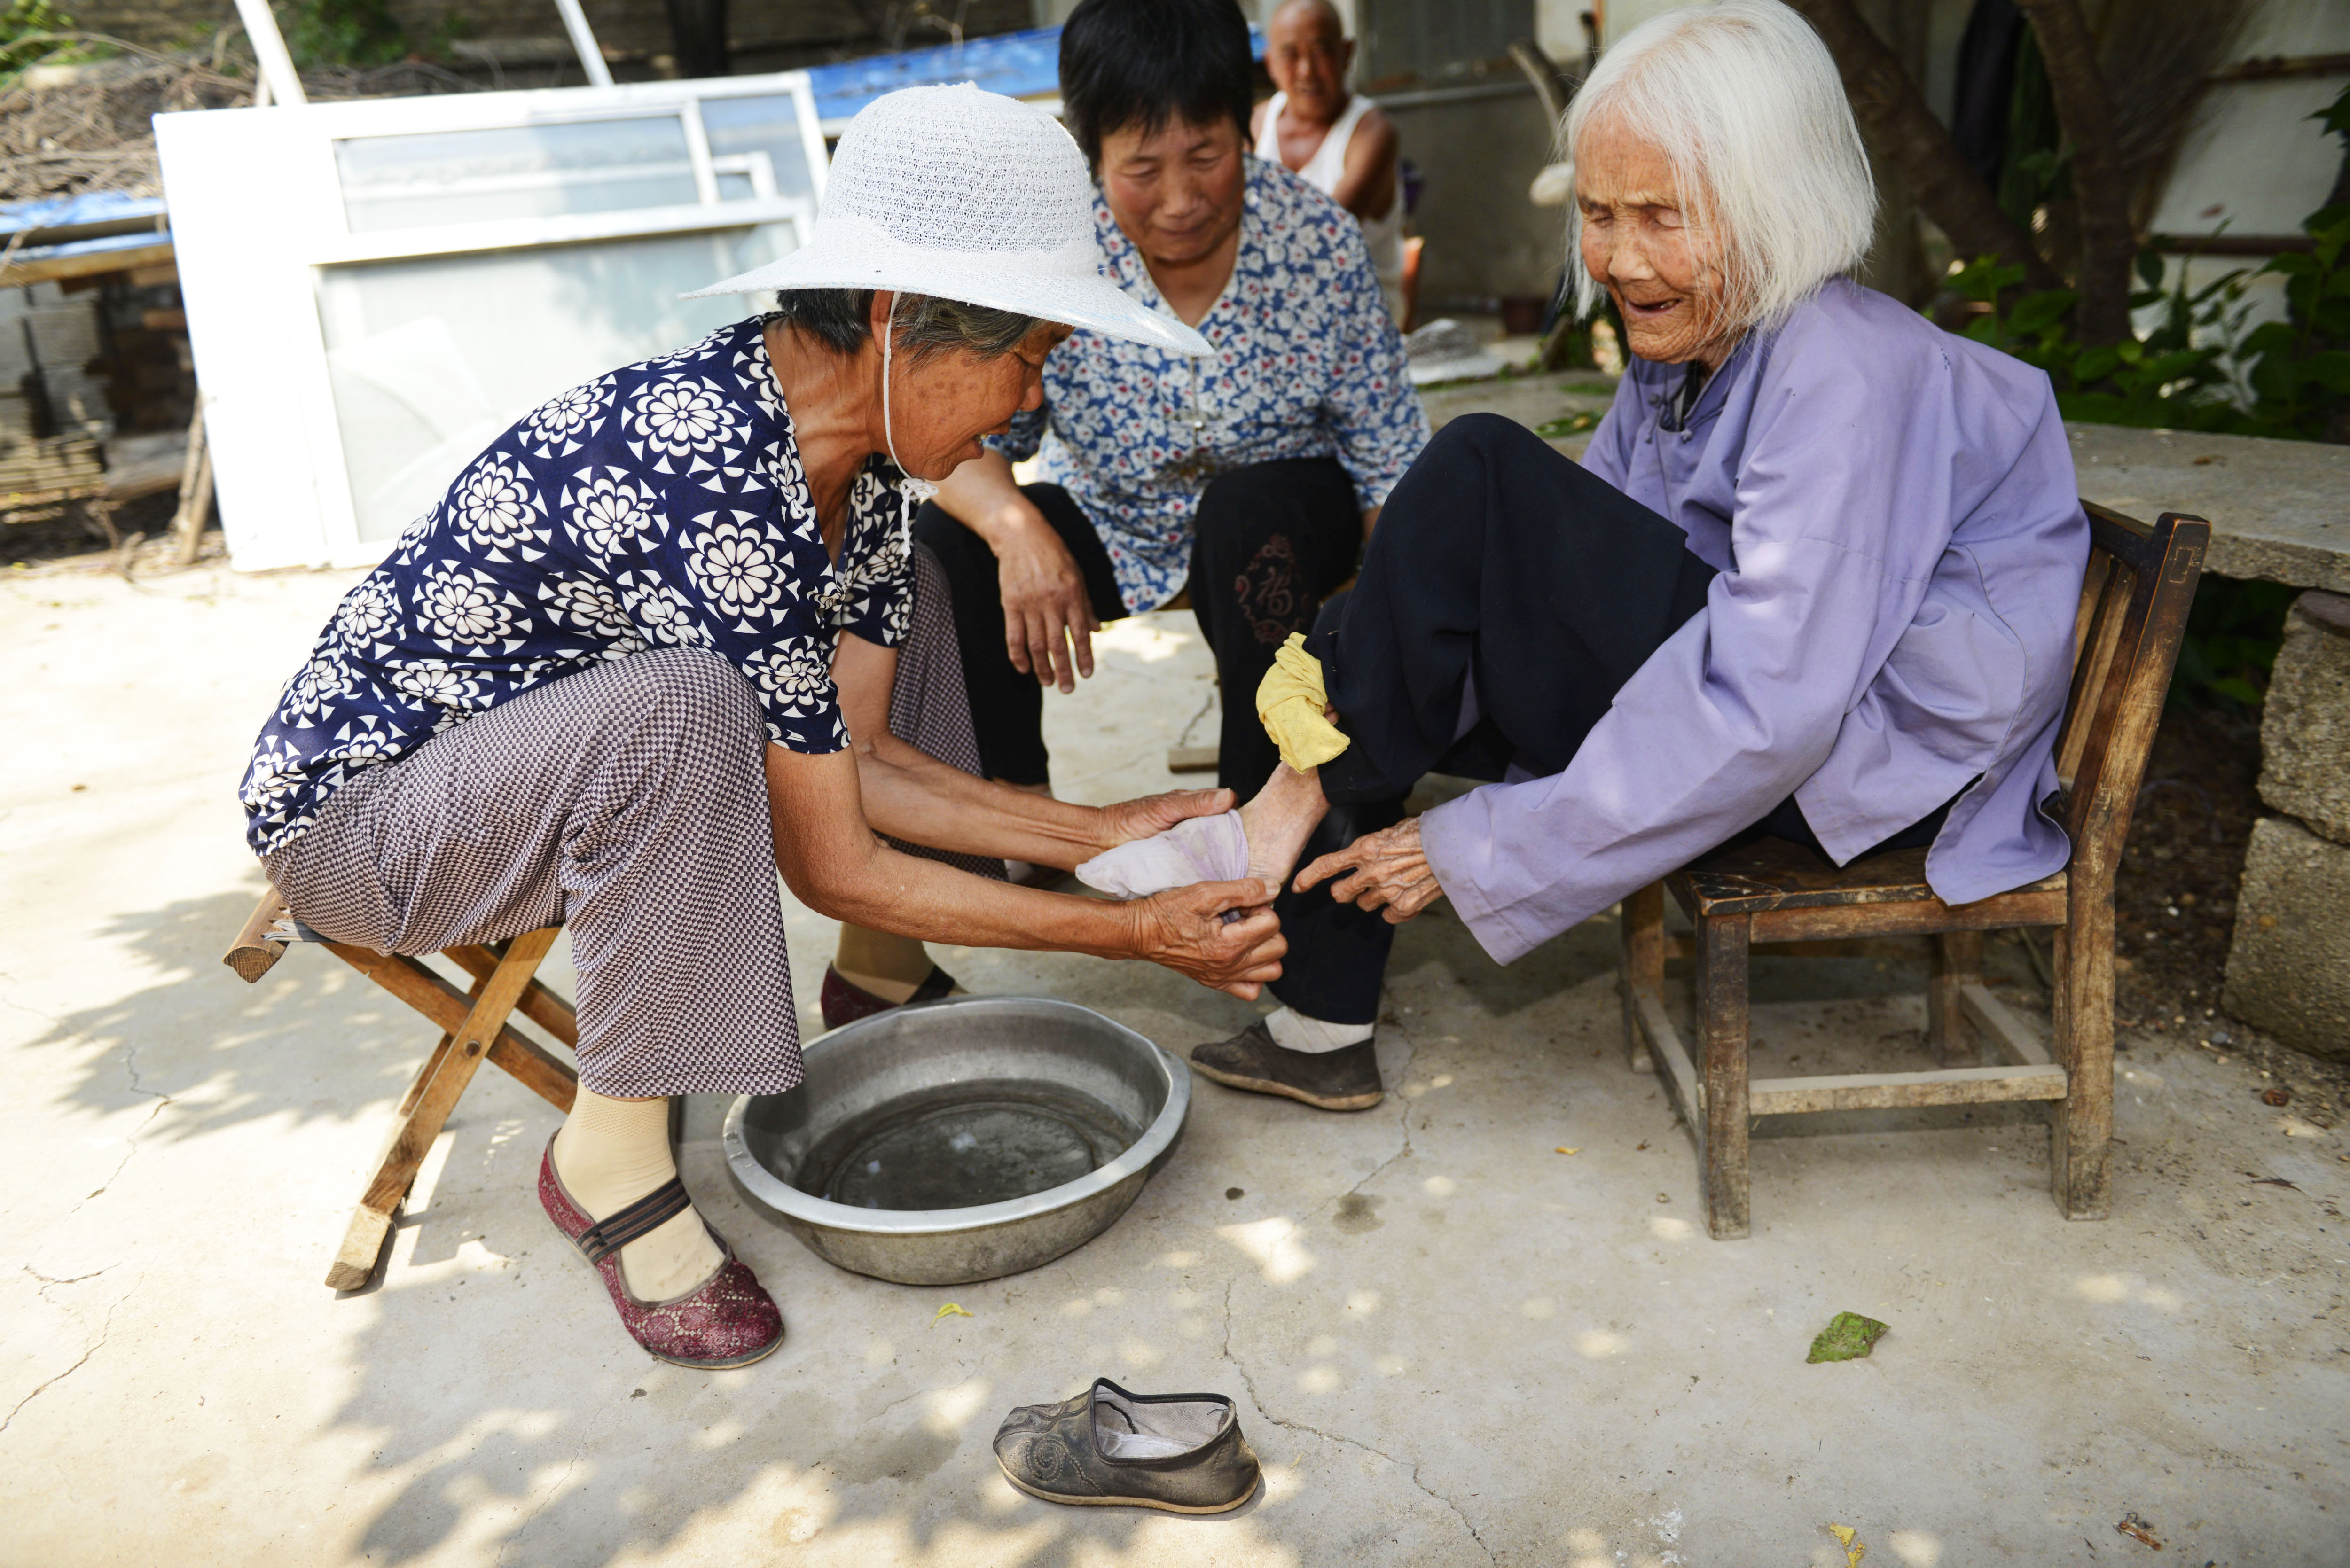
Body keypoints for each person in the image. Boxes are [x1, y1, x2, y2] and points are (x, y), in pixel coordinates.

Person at [238, 85, 1287, 1371]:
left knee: (902, 643)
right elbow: (829, 854)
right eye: (1027, 358)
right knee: (686, 705)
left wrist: (1096, 832)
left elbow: (858, 760)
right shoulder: (708, 461)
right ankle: (610, 1163)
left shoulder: (865, 473)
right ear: (907, 327)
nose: (1024, 406)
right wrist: (1129, 932)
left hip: (517, 776)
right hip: (373, 828)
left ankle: (877, 974)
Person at [1084, 0, 2089, 1116]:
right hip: (1771, 703)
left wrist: (1477, 842)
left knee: (1472, 470)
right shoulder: (1695, 344)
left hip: (1864, 773)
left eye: (1661, 216)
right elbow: (1559, 569)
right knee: (1383, 632)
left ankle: (1267, 835)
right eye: (1601, 215)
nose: (1616, 258)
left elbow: (1769, 710)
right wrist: (1389, 640)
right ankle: (1318, 1012)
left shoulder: (1846, 370)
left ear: (1778, 203)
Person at [910, 0, 1427, 1055]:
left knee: (1246, 521)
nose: (1183, 199)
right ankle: (1021, 819)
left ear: (1248, 126)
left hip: (1281, 519)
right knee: (950, 546)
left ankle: (1248, 843)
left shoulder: (1314, 241)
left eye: (1209, 156)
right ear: (1090, 152)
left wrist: (1405, 614)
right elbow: (949, 442)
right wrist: (1014, 523)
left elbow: (1387, 453)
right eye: (1143, 169)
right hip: (1120, 512)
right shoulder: (1056, 259)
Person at [1251, 0, 1406, 321]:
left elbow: (1321, 236)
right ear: (1270, 64)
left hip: (1362, 318)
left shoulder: (1371, 133)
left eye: (1321, 51)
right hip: (1278, 310)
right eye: (1290, 55)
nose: (1307, 69)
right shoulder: (1257, 124)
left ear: (1347, 54)